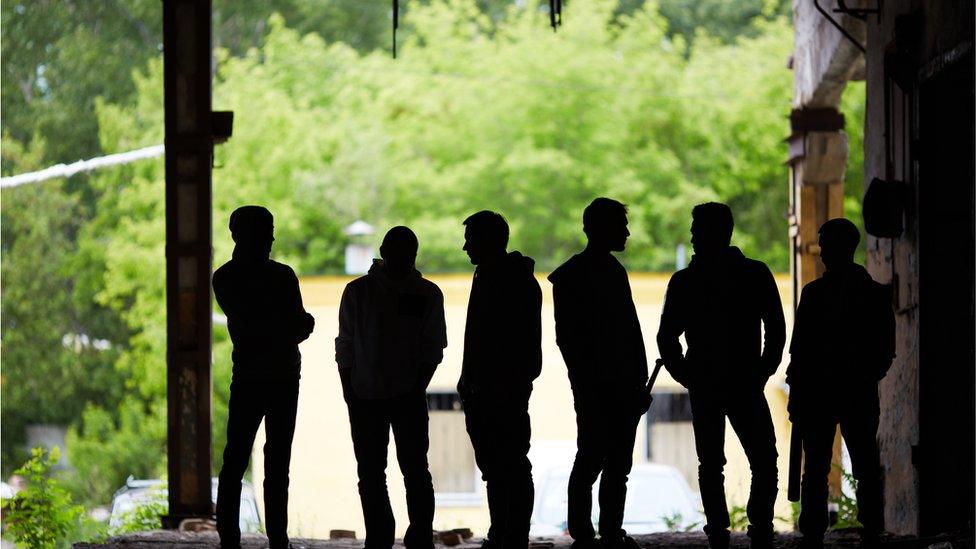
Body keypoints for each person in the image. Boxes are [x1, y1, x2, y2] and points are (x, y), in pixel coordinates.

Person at [656, 202, 785, 549]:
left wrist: (687, 375)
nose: (693, 235)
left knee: (711, 462)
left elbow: (667, 337)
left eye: (697, 228)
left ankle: (718, 530)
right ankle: (759, 526)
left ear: (715, 231)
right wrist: (762, 370)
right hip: (745, 381)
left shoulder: (685, 281)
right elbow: (776, 328)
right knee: (763, 458)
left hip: (708, 383)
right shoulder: (755, 274)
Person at [335, 226, 447, 549]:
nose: (402, 260)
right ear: (384, 252)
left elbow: (346, 348)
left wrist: (351, 391)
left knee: (379, 473)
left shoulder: (360, 292)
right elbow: (432, 348)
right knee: (408, 471)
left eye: (406, 254)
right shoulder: (425, 293)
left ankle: (389, 536)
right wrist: (352, 392)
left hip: (373, 395)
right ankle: (413, 535)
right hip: (385, 396)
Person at [548, 198, 649, 549]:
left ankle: (590, 531)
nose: (627, 232)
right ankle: (602, 531)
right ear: (601, 229)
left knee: (598, 458)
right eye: (621, 226)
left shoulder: (576, 274)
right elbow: (622, 335)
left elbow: (578, 339)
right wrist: (634, 379)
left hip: (603, 384)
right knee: (606, 460)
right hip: (608, 384)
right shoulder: (602, 273)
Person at [787, 218, 894, 549]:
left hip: (825, 393)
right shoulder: (873, 294)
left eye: (825, 244)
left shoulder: (816, 294)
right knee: (861, 465)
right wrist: (862, 377)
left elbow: (800, 350)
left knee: (819, 467)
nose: (822, 252)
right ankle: (872, 530)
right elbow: (884, 351)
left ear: (841, 248)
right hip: (853, 392)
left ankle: (815, 532)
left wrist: (801, 389)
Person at [213, 205, 315, 549]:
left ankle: (232, 538)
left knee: (237, 458)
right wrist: (289, 326)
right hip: (282, 376)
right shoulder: (281, 277)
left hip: (251, 376)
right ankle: (277, 540)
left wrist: (281, 326)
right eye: (266, 230)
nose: (271, 237)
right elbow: (300, 325)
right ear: (243, 234)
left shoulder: (226, 277)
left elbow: (254, 326)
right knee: (273, 461)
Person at [458, 210, 542, 549]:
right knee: (501, 464)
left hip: (500, 389)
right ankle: (506, 532)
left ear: (486, 241)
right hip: (494, 388)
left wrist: (480, 382)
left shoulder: (503, 280)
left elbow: (498, 342)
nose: (465, 247)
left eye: (470, 239)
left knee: (507, 464)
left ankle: (510, 534)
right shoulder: (501, 276)